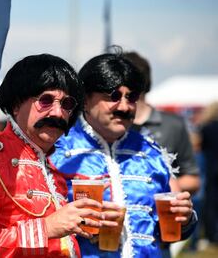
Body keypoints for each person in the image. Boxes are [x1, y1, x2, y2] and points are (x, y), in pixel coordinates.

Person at [0, 54, 120, 257]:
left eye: (67, 104)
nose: (58, 113)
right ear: (16, 104)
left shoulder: (51, 164)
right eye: (45, 100)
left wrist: (87, 223)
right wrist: (45, 228)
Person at [51, 51, 197, 257]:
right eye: (114, 96)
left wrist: (187, 218)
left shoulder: (152, 152)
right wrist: (79, 226)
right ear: (84, 100)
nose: (124, 106)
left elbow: (171, 232)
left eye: (132, 97)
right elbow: (36, 224)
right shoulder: (55, 151)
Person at [125, 51, 200, 195]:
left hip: (161, 211)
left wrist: (154, 185)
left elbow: (193, 179)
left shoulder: (173, 124)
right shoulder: (112, 126)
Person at [199, 101, 218, 244]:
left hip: (212, 168)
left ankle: (211, 234)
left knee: (210, 202)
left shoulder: (206, 128)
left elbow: (202, 147)